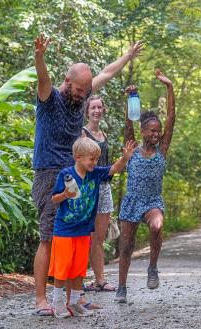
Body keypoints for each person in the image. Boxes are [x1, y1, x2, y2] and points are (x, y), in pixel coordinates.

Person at [31, 32, 142, 315]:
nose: (83, 95)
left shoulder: (83, 96)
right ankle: (42, 300)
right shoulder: (50, 99)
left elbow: (106, 72)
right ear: (68, 82)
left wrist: (128, 56)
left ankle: (74, 297)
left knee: (78, 232)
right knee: (49, 236)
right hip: (48, 173)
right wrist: (39, 56)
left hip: (76, 172)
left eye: (85, 91)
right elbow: (43, 79)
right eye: (79, 90)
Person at [48, 137, 135, 318]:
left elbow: (113, 169)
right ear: (78, 157)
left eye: (96, 159)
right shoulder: (66, 174)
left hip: (83, 230)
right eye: (91, 159)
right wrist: (65, 194)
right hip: (64, 230)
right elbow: (54, 198)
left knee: (79, 268)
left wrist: (125, 159)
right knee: (63, 267)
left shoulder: (94, 173)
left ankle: (74, 303)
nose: (94, 163)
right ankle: (57, 302)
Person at [115, 69, 176, 303]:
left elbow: (171, 119)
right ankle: (121, 288)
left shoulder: (162, 149)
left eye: (158, 131)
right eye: (152, 130)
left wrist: (169, 88)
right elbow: (128, 123)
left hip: (152, 201)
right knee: (127, 246)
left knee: (157, 225)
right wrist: (130, 98)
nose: (157, 134)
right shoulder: (132, 149)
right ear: (143, 132)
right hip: (132, 200)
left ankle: (152, 267)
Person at [81, 96, 117, 293]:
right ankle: (76, 279)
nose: (97, 110)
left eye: (99, 107)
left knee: (98, 239)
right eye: (93, 107)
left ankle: (100, 280)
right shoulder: (83, 133)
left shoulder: (104, 134)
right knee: (84, 236)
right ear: (87, 111)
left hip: (104, 187)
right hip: (88, 188)